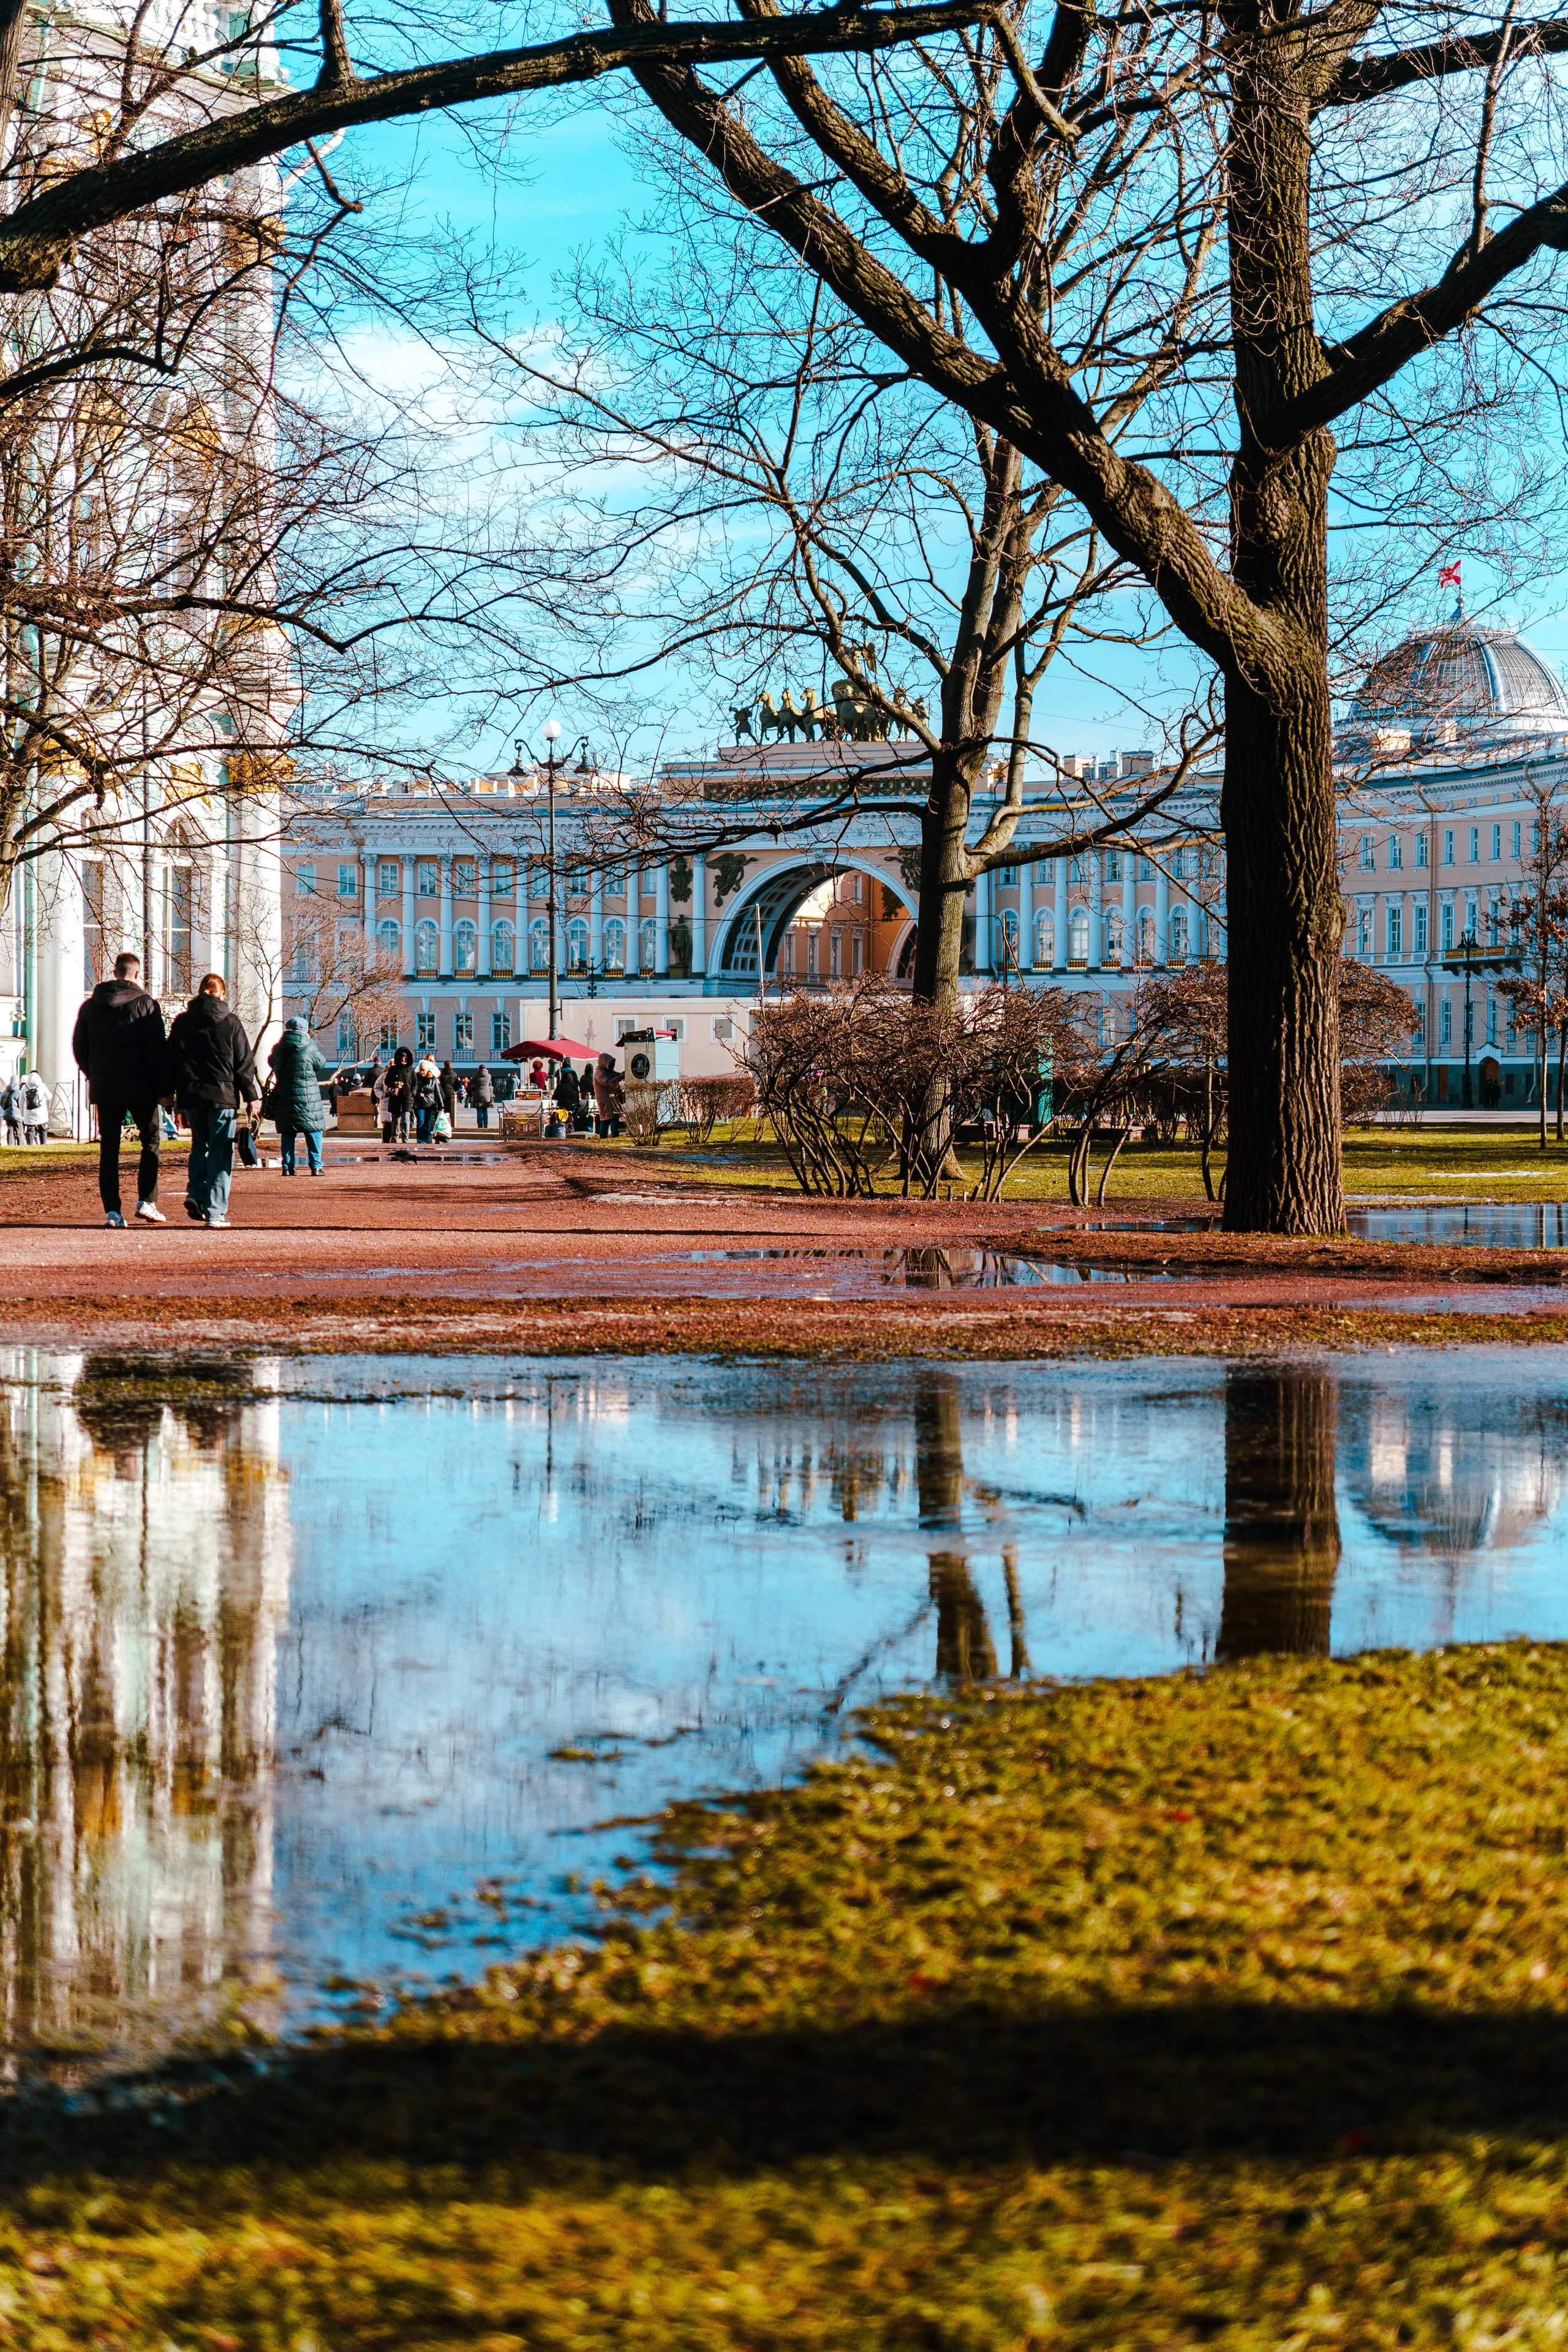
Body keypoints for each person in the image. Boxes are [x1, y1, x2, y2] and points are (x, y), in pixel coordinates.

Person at [72, 949, 168, 1227]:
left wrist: (94, 1073)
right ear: (138, 975)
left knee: (110, 1148)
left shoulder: (90, 1006)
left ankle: (113, 1211)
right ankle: (147, 1201)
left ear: (115, 973)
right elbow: (156, 1049)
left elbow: (79, 1046)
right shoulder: (147, 1004)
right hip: (142, 1086)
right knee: (150, 1139)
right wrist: (161, 1087)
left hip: (106, 1086)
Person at [157, 972, 260, 1230]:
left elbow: (171, 1061)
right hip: (222, 1099)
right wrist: (252, 1097)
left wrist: (171, 1096)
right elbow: (244, 1065)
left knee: (199, 1147)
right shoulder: (232, 1022)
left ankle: (195, 1193)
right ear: (222, 994)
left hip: (192, 1097)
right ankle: (215, 1212)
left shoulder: (182, 1023)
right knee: (221, 1153)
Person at [266, 1015, 333, 1177]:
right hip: (308, 1097)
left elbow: (271, 1062)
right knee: (314, 1131)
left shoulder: (278, 1048)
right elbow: (321, 1064)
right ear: (305, 1031)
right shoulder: (310, 1046)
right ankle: (316, 1167)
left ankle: (288, 1168)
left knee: (288, 1133)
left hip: (285, 1096)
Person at [381, 1048, 414, 1144]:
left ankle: (405, 1140)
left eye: (405, 1057)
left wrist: (412, 1093)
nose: (404, 1059)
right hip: (395, 1099)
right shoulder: (393, 1069)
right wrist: (395, 1084)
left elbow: (415, 1083)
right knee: (395, 1121)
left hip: (407, 1099)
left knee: (406, 1120)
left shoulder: (410, 1069)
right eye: (402, 1057)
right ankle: (395, 1139)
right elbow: (387, 1081)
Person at [592, 1051, 624, 1139]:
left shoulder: (607, 1071)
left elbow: (615, 1075)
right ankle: (612, 1134)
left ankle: (605, 1135)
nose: (612, 1066)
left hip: (610, 1098)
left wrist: (622, 1075)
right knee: (610, 1117)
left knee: (608, 1117)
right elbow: (608, 1083)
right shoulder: (600, 1072)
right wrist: (620, 1077)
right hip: (606, 1099)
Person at [413, 1051, 442, 1143]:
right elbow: (412, 1090)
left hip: (430, 1104)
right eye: (421, 1070)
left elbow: (437, 1092)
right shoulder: (416, 1078)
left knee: (428, 1123)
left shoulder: (432, 1079)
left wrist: (441, 1105)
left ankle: (427, 1140)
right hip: (418, 1103)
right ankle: (420, 1140)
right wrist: (418, 1094)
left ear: (427, 1070)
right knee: (421, 1121)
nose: (422, 1072)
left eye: (423, 1071)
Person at [19, 1068, 49, 1146]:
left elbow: (21, 1102)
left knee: (30, 1130)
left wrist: (22, 1113)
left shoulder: (24, 1087)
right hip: (41, 1112)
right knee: (42, 1129)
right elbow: (49, 1097)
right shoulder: (42, 1086)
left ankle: (30, 1144)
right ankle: (43, 1144)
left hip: (29, 1112)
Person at [554, 1060, 581, 1126]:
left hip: (562, 1107)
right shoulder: (573, 1072)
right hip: (573, 1107)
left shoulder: (559, 1072)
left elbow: (554, 1097)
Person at [469, 1061, 495, 1130]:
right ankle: (486, 1123)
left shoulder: (476, 1076)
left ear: (479, 1069)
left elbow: (470, 1085)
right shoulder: (489, 1076)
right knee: (485, 1110)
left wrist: (473, 1089)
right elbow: (491, 1088)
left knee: (479, 1110)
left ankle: (480, 1126)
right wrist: (492, 1100)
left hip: (477, 1094)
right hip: (487, 1095)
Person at [0, 1072, 20, 1148]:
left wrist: (5, 1109)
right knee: (19, 1132)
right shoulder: (18, 1092)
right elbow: (21, 1104)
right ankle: (20, 1146)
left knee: (10, 1131)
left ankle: (10, 1146)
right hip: (17, 1114)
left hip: (7, 1114)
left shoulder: (6, 1092)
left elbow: (2, 1103)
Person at [439, 1059, 458, 1125]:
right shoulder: (454, 1074)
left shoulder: (441, 1074)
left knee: (443, 1108)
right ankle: (453, 1123)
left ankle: (443, 1123)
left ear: (444, 1065)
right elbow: (457, 1085)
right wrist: (454, 1090)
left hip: (442, 1093)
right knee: (452, 1109)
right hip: (451, 1093)